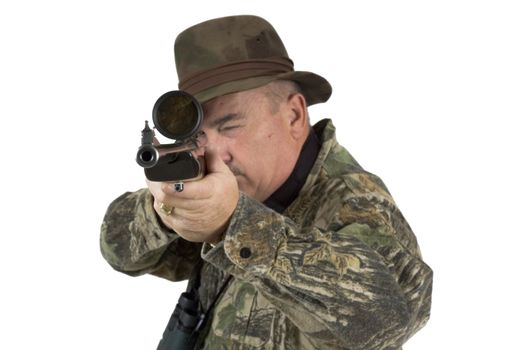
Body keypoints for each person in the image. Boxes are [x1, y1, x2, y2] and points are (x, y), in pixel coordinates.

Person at [100, 15, 433, 350]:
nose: (215, 152)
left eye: (230, 126)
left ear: (294, 116)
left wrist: (235, 224)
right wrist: (165, 209)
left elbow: (386, 323)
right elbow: (118, 250)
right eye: (199, 135)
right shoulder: (233, 183)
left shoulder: (356, 202)